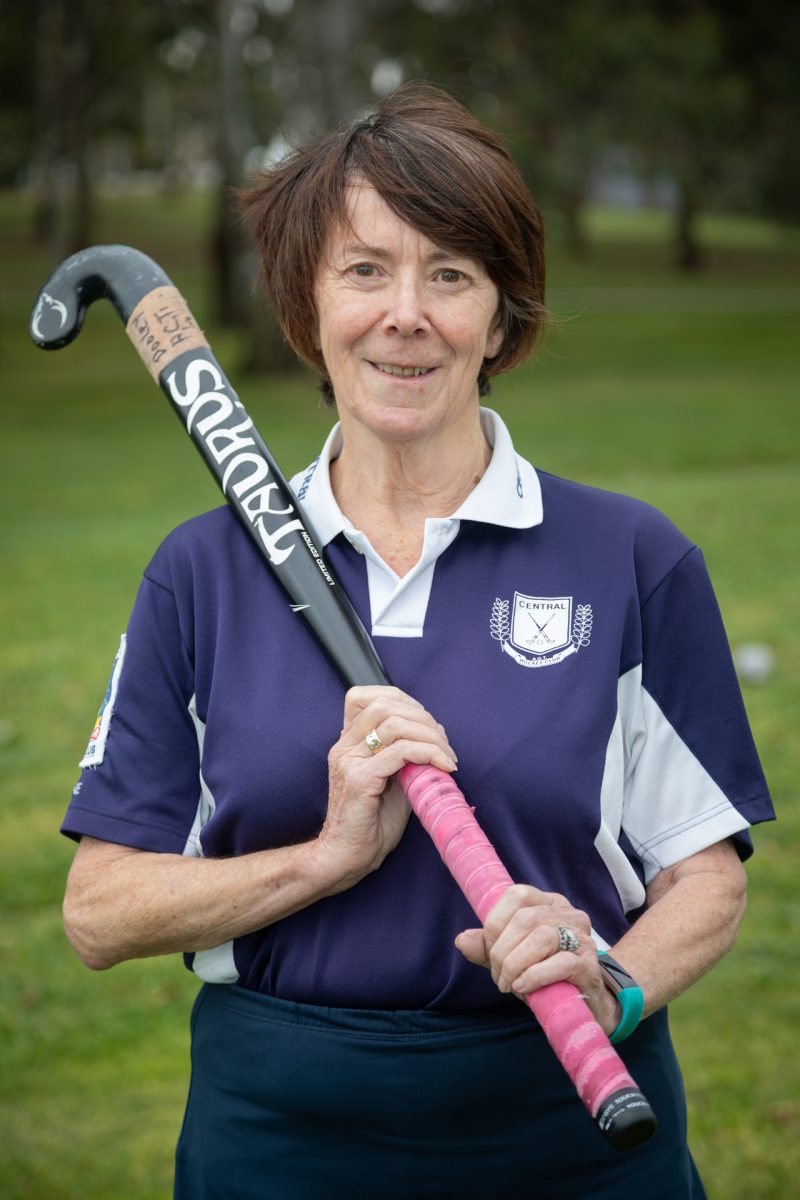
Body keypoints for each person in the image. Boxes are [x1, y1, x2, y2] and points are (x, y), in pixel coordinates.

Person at [60, 84, 773, 1199]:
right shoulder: (199, 574)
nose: (406, 312)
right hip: (279, 1140)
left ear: (500, 317)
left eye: (450, 274)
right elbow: (99, 913)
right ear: (308, 301)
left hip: (575, 1133)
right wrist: (326, 857)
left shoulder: (628, 558)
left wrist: (614, 986)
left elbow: (705, 876)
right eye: (365, 269)